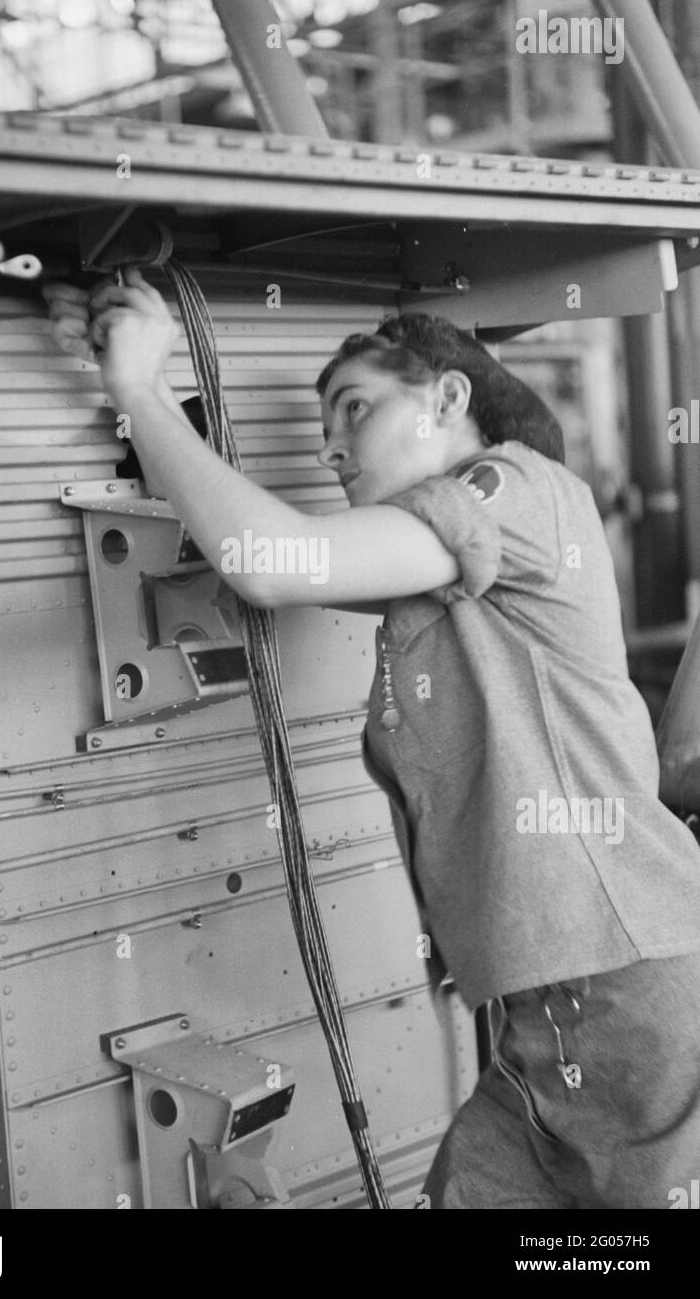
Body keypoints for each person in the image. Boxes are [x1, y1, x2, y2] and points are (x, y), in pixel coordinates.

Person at [44, 268, 700, 1210]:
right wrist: (129, 383)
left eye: (355, 410)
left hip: (629, 990)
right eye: (325, 430)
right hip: (538, 1027)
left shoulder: (512, 488)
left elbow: (271, 563)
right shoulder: (438, 575)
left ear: (448, 397)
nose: (332, 447)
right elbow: (271, 549)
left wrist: (141, 389)